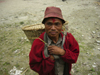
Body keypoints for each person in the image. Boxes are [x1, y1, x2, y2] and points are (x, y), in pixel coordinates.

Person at [29, 6, 79, 75]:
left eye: (57, 24)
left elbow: (75, 57)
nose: (53, 28)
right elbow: (34, 65)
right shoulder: (38, 43)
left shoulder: (69, 38)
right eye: (49, 24)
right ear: (44, 25)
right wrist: (50, 60)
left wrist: (63, 52)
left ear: (62, 25)